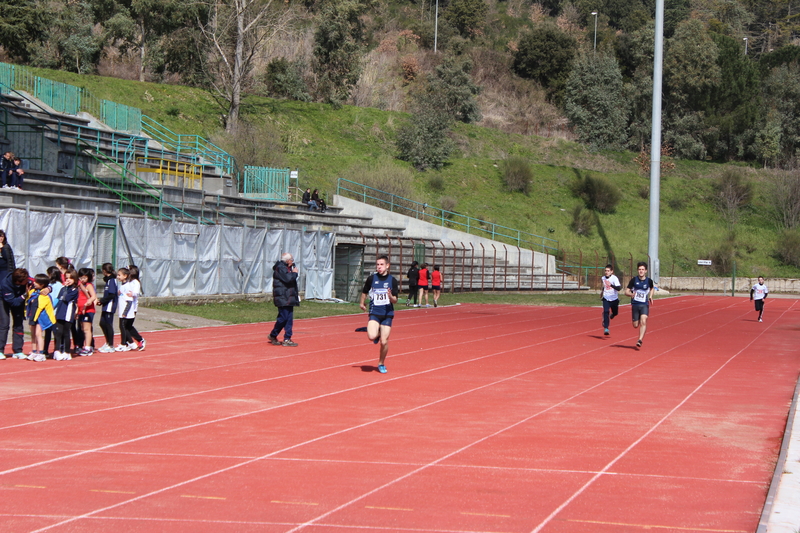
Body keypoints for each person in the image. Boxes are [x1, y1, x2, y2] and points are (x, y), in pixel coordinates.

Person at [358, 255, 399, 374]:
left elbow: (395, 300)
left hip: (387, 314)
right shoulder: (372, 279)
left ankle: (381, 363)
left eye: (381, 264)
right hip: (374, 312)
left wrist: (391, 296)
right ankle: (377, 333)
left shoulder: (392, 280)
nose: (379, 267)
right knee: (371, 336)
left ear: (387, 266)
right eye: (377, 265)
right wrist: (362, 303)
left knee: (384, 342)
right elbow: (364, 292)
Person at [268, 252, 300, 347]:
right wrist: (294, 273)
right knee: (283, 318)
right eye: (291, 260)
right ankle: (273, 334)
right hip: (282, 297)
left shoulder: (287, 268)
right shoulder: (281, 268)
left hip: (289, 297)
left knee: (289, 319)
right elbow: (288, 279)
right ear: (287, 260)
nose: (292, 262)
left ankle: (287, 338)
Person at [0, 268, 31, 359]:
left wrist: (49, 288)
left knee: (18, 323)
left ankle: (18, 351)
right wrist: (25, 295)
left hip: (19, 298)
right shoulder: (5, 284)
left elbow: (41, 282)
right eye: (25, 281)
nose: (28, 281)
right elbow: (14, 302)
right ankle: (0, 350)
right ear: (18, 282)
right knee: (4, 324)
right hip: (4, 300)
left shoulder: (28, 279)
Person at [25, 273, 55, 362]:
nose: (34, 283)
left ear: (42, 285)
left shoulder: (44, 295)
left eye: (36, 282)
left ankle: (41, 353)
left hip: (40, 318)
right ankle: (34, 351)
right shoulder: (33, 291)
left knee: (38, 334)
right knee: (33, 334)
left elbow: (40, 308)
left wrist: (49, 288)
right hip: (32, 315)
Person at [624, 262, 655, 348]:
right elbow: (626, 291)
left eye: (642, 269)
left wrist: (651, 296)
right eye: (639, 269)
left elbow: (652, 288)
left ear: (646, 271)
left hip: (644, 304)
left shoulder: (649, 281)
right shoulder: (634, 280)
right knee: (635, 325)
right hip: (635, 304)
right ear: (638, 270)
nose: (641, 271)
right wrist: (631, 294)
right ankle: (638, 332)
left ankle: (640, 340)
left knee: (644, 321)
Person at [115, 266, 145, 351]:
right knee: (126, 327)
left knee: (127, 326)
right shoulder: (127, 283)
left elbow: (135, 293)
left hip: (131, 308)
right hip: (126, 307)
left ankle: (136, 340)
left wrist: (132, 294)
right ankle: (129, 342)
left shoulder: (135, 282)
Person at [54, 269, 79, 361]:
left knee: (66, 332)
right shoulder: (63, 288)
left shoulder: (74, 290)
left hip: (68, 314)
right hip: (60, 312)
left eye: (71, 278)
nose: (68, 280)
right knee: (58, 332)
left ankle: (67, 352)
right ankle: (57, 351)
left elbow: (66, 298)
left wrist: (66, 289)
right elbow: (59, 298)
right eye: (66, 278)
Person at [96, 263, 118, 352]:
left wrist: (102, 301)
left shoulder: (112, 280)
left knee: (108, 325)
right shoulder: (108, 281)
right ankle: (107, 342)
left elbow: (112, 295)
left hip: (110, 306)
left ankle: (111, 345)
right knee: (102, 323)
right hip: (105, 306)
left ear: (105, 271)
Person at [76, 267, 98, 355]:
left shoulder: (88, 285)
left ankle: (88, 347)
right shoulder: (79, 286)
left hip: (88, 310)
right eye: (81, 278)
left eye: (84, 278)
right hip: (80, 309)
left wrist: (89, 301)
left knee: (86, 329)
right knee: (82, 328)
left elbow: (93, 296)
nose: (82, 279)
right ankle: (85, 346)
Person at [43, 266, 63, 356]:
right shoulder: (49, 285)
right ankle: (45, 350)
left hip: (55, 312)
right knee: (47, 332)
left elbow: (57, 298)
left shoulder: (59, 285)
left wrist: (51, 307)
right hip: (48, 311)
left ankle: (57, 349)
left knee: (56, 332)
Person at [600, 264, 622, 336]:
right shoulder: (603, 278)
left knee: (615, 312)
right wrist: (602, 292)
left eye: (608, 271)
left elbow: (619, 288)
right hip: (606, 297)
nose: (606, 272)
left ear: (611, 271)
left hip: (614, 299)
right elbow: (604, 286)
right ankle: (606, 328)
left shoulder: (614, 278)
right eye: (605, 271)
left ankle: (613, 314)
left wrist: (611, 285)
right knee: (606, 311)